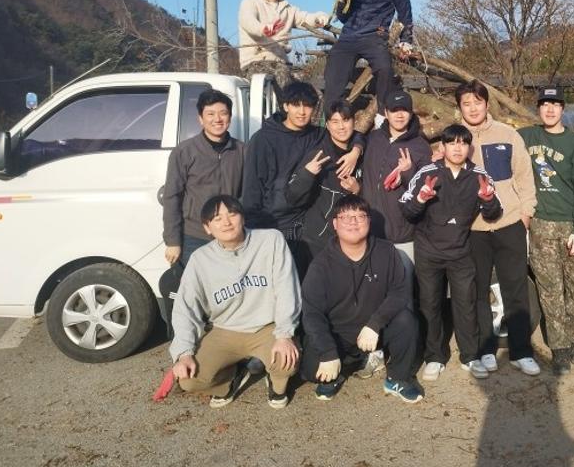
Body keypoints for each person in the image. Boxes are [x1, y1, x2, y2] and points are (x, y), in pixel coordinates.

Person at [169, 195, 301, 409]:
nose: (226, 222)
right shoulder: (200, 259)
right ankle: (230, 379)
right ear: (207, 228)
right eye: (217, 219)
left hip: (266, 327)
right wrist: (184, 353)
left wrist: (285, 334)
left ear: (242, 217)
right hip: (225, 329)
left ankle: (276, 383)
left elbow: (287, 288)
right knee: (189, 380)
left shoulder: (271, 240)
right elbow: (185, 308)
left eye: (232, 214)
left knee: (286, 362)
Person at [400, 124, 502, 381]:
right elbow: (407, 210)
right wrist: (421, 199)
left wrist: (488, 200)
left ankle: (471, 356)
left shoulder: (479, 175)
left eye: (463, 143)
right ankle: (434, 357)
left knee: (466, 304)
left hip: (461, 251)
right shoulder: (428, 172)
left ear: (469, 148)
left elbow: (494, 212)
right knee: (430, 304)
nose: (458, 148)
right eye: (452, 143)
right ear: (442, 147)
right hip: (428, 251)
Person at [300, 195, 422, 403]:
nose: (353, 222)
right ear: (335, 224)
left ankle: (398, 378)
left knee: (406, 320)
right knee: (313, 370)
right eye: (345, 217)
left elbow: (399, 292)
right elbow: (312, 313)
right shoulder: (320, 265)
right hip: (339, 333)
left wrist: (375, 324)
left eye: (359, 216)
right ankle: (344, 367)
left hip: (374, 330)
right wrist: (328, 352)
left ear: (369, 221)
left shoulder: (386, 251)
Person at [456, 80, 541, 376]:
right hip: (474, 229)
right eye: (466, 103)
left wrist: (526, 214)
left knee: (515, 288)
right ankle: (486, 350)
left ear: (486, 104)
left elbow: (524, 176)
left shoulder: (507, 134)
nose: (473, 108)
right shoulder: (455, 139)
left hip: (509, 224)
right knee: (478, 291)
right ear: (459, 107)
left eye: (477, 102)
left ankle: (521, 352)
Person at [242, 82, 361, 279]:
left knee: (301, 281)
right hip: (272, 223)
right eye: (296, 105)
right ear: (285, 106)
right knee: (273, 281)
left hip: (303, 224)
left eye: (307, 106)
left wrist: (356, 151)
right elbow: (252, 189)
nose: (302, 111)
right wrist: (253, 230)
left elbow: (350, 132)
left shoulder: (316, 134)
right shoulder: (263, 139)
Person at [518, 87, 574, 376]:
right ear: (538, 109)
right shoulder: (526, 137)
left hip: (571, 227)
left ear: (563, 109)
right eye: (544, 105)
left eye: (555, 105)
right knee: (550, 290)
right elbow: (496, 141)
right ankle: (559, 348)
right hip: (541, 226)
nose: (549, 110)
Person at [159, 89, 245, 333]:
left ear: (230, 117)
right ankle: (187, 345)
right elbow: (172, 197)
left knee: (228, 293)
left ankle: (223, 344)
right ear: (200, 118)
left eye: (223, 113)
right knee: (193, 294)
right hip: (194, 236)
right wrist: (173, 241)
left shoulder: (241, 151)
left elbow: (245, 195)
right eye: (210, 114)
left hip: (230, 236)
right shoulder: (184, 151)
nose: (217, 119)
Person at [323, 0, 414, 115]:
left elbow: (405, 11)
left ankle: (382, 117)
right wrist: (342, 0)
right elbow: (343, 17)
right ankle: (332, 120)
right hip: (349, 37)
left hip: (376, 36)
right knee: (333, 73)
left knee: (385, 69)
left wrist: (406, 41)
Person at [283, 99, 363, 268]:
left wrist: (357, 189)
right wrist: (307, 174)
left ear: (353, 122)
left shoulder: (361, 153)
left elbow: (361, 137)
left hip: (351, 239)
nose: (341, 127)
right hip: (317, 242)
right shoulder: (318, 154)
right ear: (327, 125)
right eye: (335, 122)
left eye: (346, 120)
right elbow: (292, 197)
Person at [361, 89, 432, 273]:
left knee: (403, 284)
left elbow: (425, 189)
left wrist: (408, 173)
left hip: (402, 235)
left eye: (404, 110)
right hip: (368, 230)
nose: (400, 115)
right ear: (386, 113)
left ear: (411, 113)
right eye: (394, 110)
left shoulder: (420, 146)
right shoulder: (373, 139)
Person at [238, 0, 330, 87]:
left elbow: (305, 18)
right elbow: (248, 21)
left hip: (282, 64)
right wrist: (264, 29)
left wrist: (320, 17)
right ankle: (287, 100)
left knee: (311, 89)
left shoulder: (288, 9)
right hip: (255, 63)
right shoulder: (251, 1)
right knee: (283, 77)